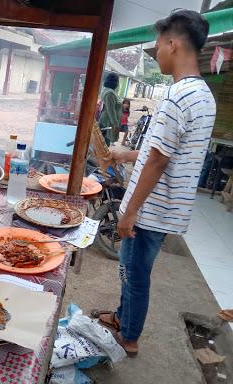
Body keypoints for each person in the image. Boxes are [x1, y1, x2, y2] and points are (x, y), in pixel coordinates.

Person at [92, 9, 216, 357]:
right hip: (167, 210)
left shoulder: (176, 97)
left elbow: (160, 160)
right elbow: (164, 152)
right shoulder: (202, 95)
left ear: (173, 44)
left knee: (134, 275)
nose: (157, 52)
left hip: (152, 210)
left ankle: (128, 337)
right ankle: (121, 318)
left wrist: (129, 212)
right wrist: (125, 154)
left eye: (159, 45)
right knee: (132, 272)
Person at [98, 73, 122, 146]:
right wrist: (115, 124)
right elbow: (110, 110)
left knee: (103, 142)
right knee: (105, 143)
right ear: (115, 82)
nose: (118, 83)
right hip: (108, 122)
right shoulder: (110, 93)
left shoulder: (108, 91)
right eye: (118, 81)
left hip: (107, 120)